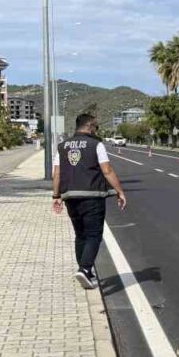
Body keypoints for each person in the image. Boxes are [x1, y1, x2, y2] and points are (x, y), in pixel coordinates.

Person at [52, 114, 127, 290]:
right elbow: (107, 170)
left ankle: (85, 271)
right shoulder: (96, 144)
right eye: (96, 127)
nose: (96, 130)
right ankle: (85, 269)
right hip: (92, 196)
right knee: (94, 234)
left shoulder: (62, 147)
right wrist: (120, 191)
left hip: (70, 196)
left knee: (80, 234)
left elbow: (57, 173)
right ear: (90, 126)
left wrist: (56, 196)